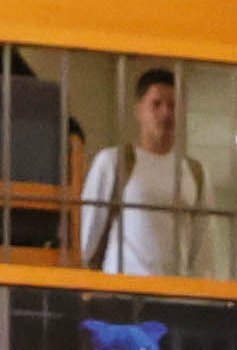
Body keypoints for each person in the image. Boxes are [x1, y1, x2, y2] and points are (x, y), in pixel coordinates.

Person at [74, 64, 211, 277]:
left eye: (173, 106)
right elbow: (87, 235)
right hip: (121, 293)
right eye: (156, 104)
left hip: (175, 297)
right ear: (139, 110)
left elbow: (203, 249)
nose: (166, 113)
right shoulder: (113, 163)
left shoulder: (195, 174)